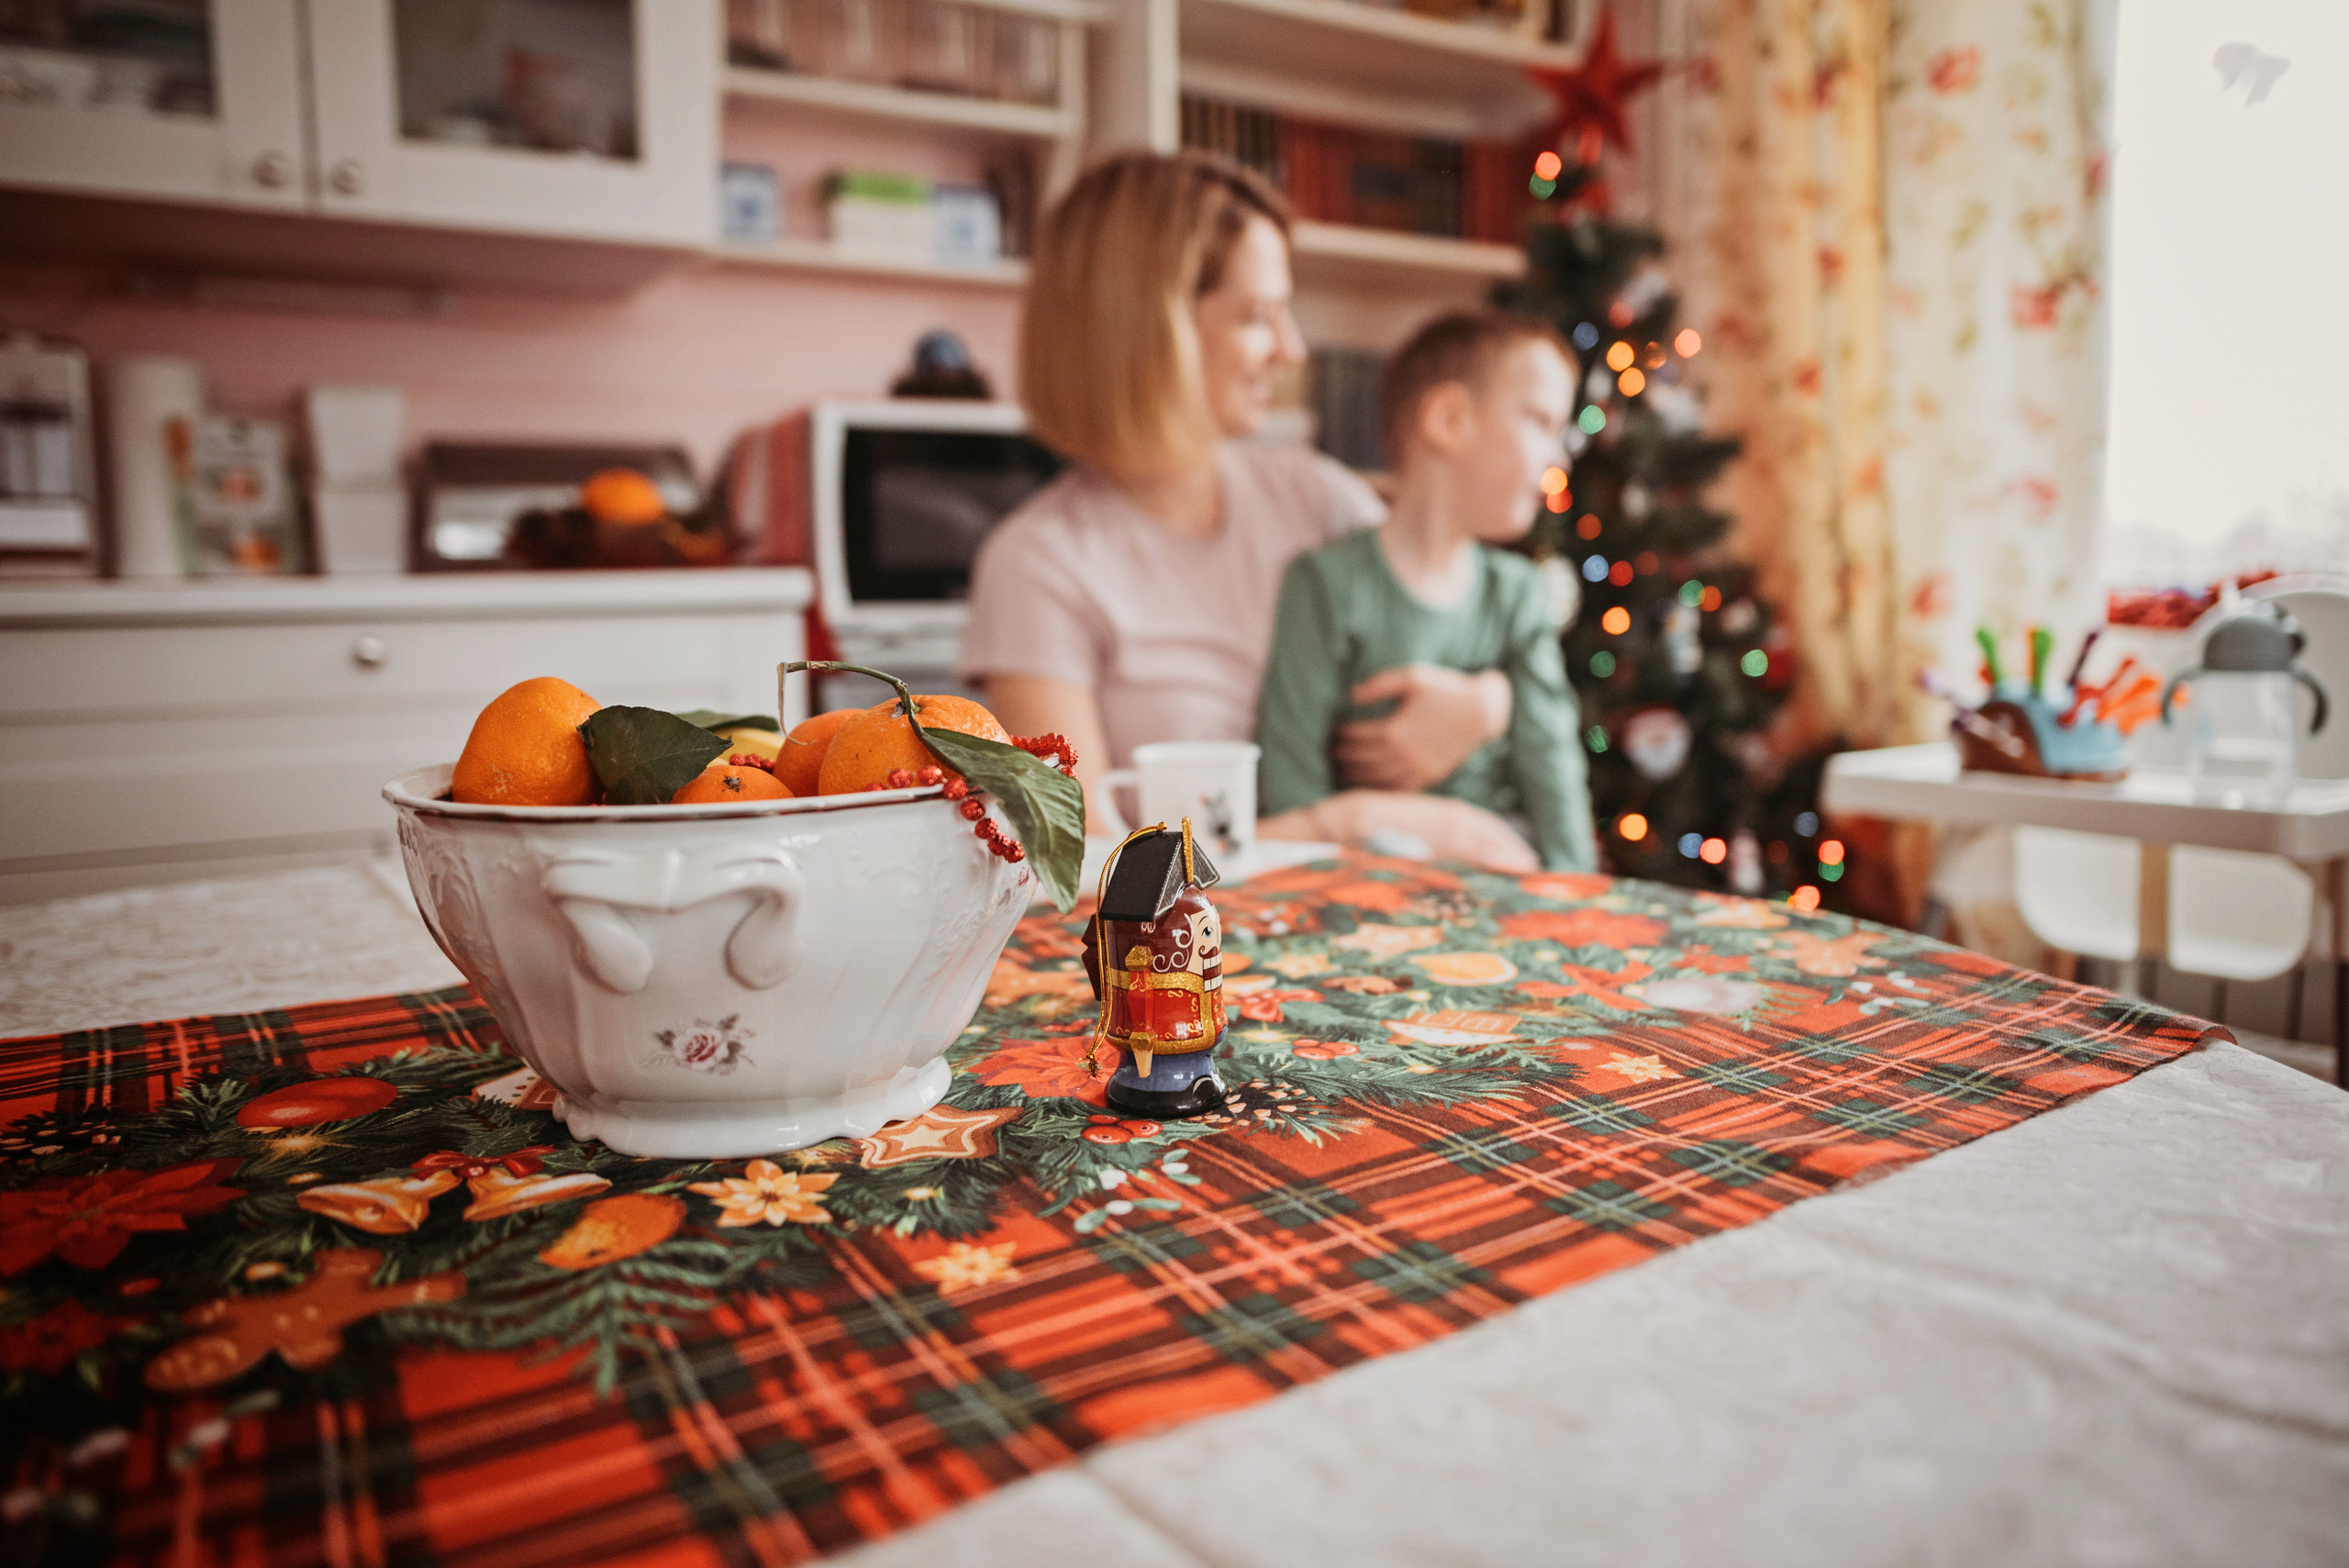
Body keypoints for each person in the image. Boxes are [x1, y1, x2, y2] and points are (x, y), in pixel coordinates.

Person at [958, 150, 1539, 870]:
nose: (1291, 350)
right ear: (1149, 325)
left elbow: (1490, 608)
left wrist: (1491, 701)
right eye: (1257, 317)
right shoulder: (1039, 564)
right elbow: (1076, 868)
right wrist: (1344, 821)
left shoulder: (1317, 497)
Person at [1253, 311, 1598, 873]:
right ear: (1449, 418)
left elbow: (1552, 770)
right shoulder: (1324, 584)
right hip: (1367, 885)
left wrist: (1579, 902)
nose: (1559, 458)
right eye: (1540, 421)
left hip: (1506, 881)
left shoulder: (1519, 596)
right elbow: (1293, 795)